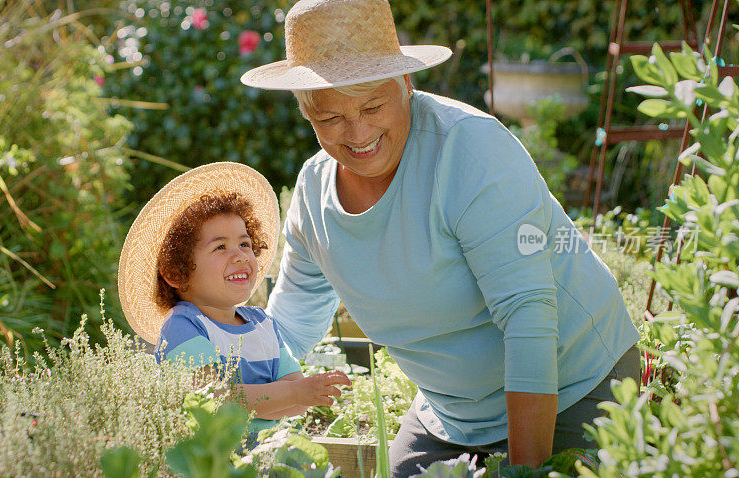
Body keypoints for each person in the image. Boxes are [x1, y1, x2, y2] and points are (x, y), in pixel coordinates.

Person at [240, 0, 641, 475]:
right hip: (453, 416)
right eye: (331, 118)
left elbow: (529, 318)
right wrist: (217, 381)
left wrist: (525, 470)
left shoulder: (469, 151)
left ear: (406, 84)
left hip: (575, 386)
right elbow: (290, 326)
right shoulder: (313, 195)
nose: (359, 132)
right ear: (307, 113)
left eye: (373, 106)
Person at [117, 162, 351, 432]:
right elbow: (214, 400)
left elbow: (296, 405)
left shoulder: (263, 323)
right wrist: (289, 393)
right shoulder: (184, 326)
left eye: (244, 244)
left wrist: (289, 394)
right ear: (176, 273)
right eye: (220, 247)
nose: (240, 255)